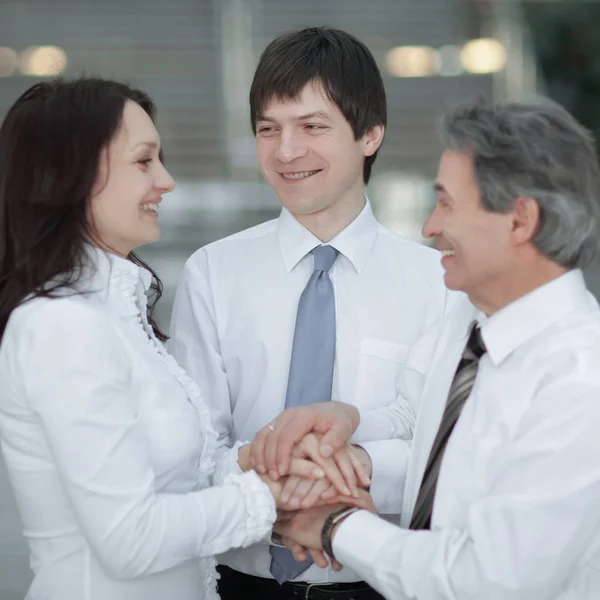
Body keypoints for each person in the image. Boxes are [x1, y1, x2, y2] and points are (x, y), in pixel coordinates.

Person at [0, 77, 355, 600]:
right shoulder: (62, 325)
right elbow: (129, 538)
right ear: (73, 173)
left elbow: (179, 481)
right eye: (144, 161)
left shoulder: (117, 314)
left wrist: (266, 459)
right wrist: (273, 499)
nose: (165, 181)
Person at [266, 96, 600, 599]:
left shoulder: (580, 380)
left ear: (520, 221)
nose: (429, 227)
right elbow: (421, 427)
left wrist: (336, 524)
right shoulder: (469, 318)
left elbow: (488, 582)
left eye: (446, 202)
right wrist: (350, 432)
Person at [168, 26, 454, 600]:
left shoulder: (439, 284)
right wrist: (273, 486)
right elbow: (192, 447)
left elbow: (439, 445)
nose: (286, 151)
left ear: (370, 134)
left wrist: (353, 466)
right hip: (235, 581)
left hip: (378, 583)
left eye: (312, 126)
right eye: (268, 129)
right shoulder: (213, 272)